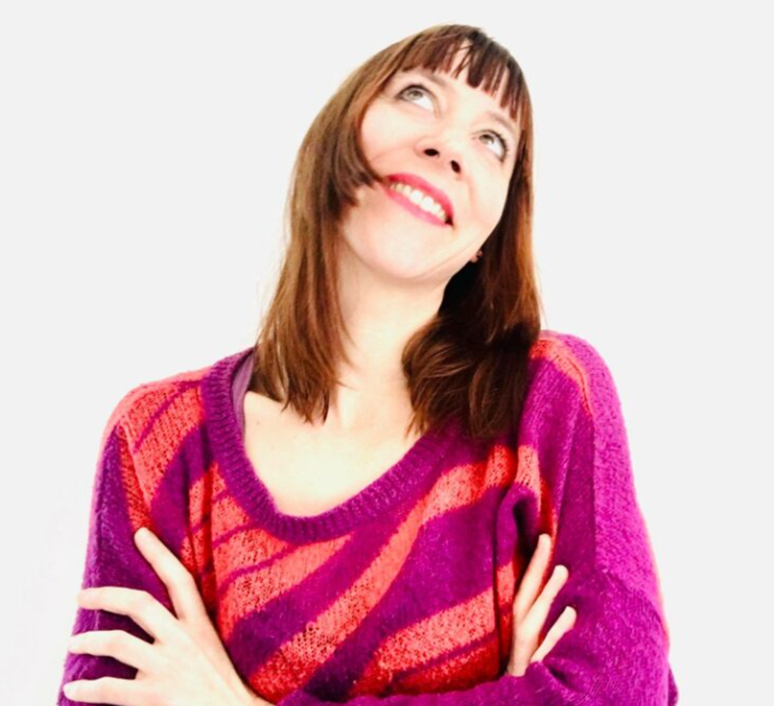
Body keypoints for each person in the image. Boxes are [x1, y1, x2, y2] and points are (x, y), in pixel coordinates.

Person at [57, 23, 679, 705]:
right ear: (339, 136)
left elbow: (627, 688)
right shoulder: (161, 440)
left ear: (491, 233)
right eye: (417, 95)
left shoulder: (547, 398)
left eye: (492, 140)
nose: (449, 146)